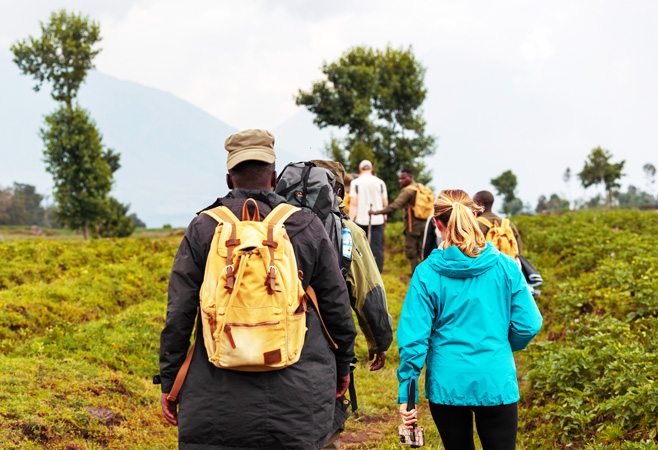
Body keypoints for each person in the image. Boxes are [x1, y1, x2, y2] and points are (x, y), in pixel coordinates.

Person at [158, 129, 357, 450]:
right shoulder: (305, 225)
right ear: (274, 177)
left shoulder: (204, 227)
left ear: (228, 179)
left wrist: (171, 381)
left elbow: (178, 314)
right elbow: (337, 306)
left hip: (215, 400)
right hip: (298, 397)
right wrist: (342, 364)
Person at [396, 189, 542, 450]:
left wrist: (407, 393)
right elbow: (529, 324)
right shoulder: (506, 266)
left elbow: (413, 339)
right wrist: (503, 345)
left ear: (437, 224)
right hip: (495, 379)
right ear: (474, 217)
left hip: (447, 383)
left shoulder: (426, 273)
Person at [309, 159, 394, 449]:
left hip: (262, 345)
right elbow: (370, 295)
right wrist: (378, 342)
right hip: (326, 350)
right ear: (338, 191)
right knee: (324, 431)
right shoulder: (346, 231)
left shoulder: (266, 224)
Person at [369, 169, 426, 273]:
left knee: (411, 251)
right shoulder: (420, 188)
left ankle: (416, 275)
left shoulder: (408, 191)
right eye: (399, 178)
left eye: (403, 178)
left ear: (410, 177)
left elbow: (395, 206)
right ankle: (425, 274)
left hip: (412, 227)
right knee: (422, 251)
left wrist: (376, 212)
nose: (400, 181)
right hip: (425, 225)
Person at [349, 160, 387, 272]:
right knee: (377, 246)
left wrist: (350, 221)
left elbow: (353, 205)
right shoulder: (380, 183)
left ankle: (362, 270)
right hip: (377, 219)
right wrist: (385, 217)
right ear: (372, 169)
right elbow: (385, 204)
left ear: (360, 170)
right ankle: (378, 270)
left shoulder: (355, 183)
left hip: (360, 219)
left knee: (360, 246)